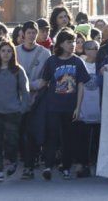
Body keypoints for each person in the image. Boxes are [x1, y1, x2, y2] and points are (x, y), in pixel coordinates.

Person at [40, 29, 90, 180]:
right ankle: (48, 166)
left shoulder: (78, 62)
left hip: (71, 107)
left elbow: (81, 85)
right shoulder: (52, 61)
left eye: (74, 41)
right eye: (69, 42)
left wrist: (78, 107)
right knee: (52, 137)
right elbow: (45, 81)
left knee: (68, 139)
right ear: (61, 44)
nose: (73, 45)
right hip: (53, 106)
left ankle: (66, 167)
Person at [0, 41, 30, 182]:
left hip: (13, 112)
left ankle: (13, 161)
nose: (6, 53)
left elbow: (25, 91)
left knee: (12, 141)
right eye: (3, 51)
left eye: (9, 51)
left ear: (13, 53)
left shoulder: (18, 70)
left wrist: (23, 108)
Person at [15, 21, 51, 180]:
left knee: (32, 131)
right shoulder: (15, 52)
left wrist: (33, 86)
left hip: (38, 99)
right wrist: (26, 87)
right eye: (28, 32)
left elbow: (45, 79)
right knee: (18, 132)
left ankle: (29, 165)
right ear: (23, 34)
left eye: (33, 33)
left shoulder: (45, 53)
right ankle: (19, 161)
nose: (31, 36)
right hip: (17, 99)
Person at [75, 41, 101, 178]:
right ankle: (81, 164)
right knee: (82, 139)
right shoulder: (80, 64)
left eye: (97, 48)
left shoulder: (102, 65)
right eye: (92, 48)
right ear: (85, 50)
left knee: (97, 140)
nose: (95, 51)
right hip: (83, 107)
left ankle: (96, 165)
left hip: (99, 108)